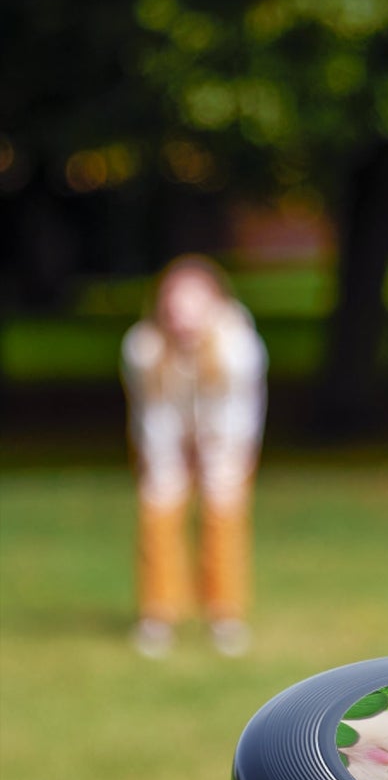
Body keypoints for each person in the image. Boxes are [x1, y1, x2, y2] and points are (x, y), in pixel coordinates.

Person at [121, 255, 268, 658]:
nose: (182, 315)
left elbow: (239, 413)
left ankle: (225, 615)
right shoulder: (143, 347)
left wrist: (217, 456)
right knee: (158, 511)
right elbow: (152, 413)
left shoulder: (238, 347)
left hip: (226, 439)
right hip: (165, 438)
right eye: (174, 303)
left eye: (193, 303)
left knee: (224, 515)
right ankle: (158, 614)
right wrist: (167, 462)